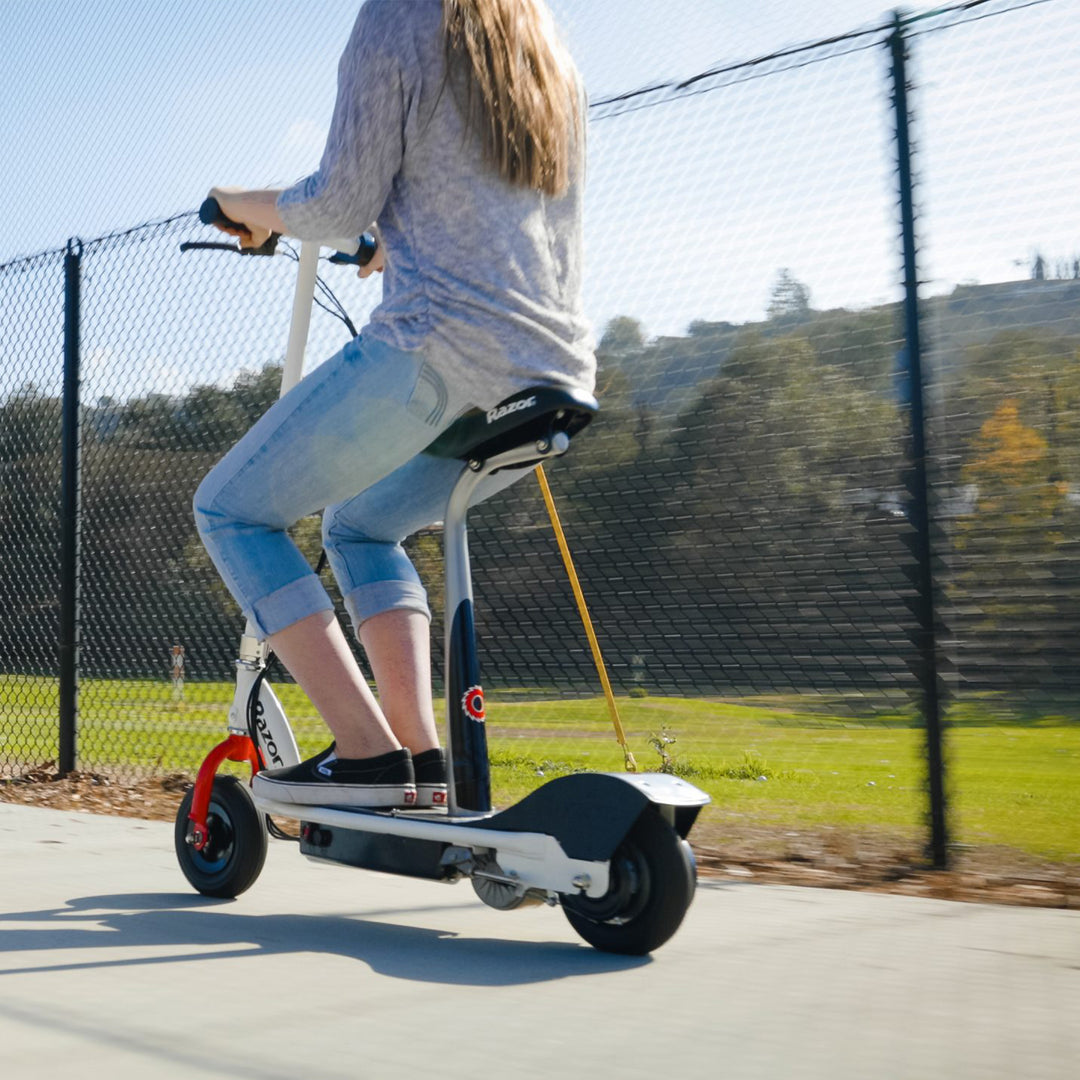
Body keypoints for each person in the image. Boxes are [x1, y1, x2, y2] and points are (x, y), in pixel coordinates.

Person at [193, 0, 595, 809]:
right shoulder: (536, 38)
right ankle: (420, 762)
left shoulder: (400, 15)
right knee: (359, 527)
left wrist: (239, 202)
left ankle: (369, 755)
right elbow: (466, 200)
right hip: (554, 376)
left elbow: (338, 201)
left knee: (233, 512)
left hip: (436, 353)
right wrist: (383, 242)